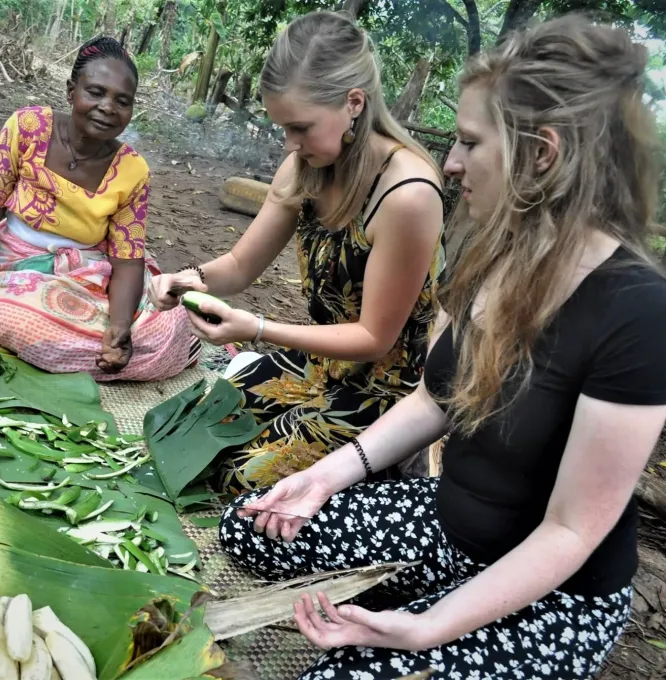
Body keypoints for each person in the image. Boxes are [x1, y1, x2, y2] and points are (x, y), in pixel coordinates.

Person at [219, 14, 666, 680]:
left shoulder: (636, 312)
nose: (453, 162)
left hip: (549, 590)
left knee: (341, 675)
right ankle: (403, 595)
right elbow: (435, 399)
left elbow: (572, 531)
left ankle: (418, 611)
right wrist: (326, 476)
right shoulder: (499, 250)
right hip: (448, 525)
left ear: (542, 154)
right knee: (256, 522)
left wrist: (430, 627)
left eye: (469, 142)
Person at [147, 12, 447, 493]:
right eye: (282, 127)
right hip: (316, 366)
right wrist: (186, 279)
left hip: (382, 393)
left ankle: (382, 471)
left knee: (239, 477)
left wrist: (259, 330)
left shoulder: (407, 194)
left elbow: (374, 337)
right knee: (189, 431)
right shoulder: (304, 167)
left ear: (353, 103)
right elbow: (240, 266)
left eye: (300, 127)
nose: (289, 143)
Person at [0, 37, 197, 381]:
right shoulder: (27, 129)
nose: (108, 107)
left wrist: (120, 330)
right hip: (22, 265)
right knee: (27, 326)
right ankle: (106, 357)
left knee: (171, 321)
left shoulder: (133, 171)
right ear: (70, 91)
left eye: (122, 101)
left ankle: (112, 353)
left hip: (95, 268)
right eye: (95, 92)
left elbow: (126, 259)